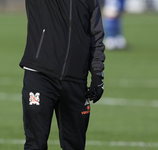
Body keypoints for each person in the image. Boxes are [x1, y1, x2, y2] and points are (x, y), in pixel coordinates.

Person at [19, 0, 105, 149]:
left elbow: (96, 38)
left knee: (75, 145)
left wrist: (97, 75)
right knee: (35, 144)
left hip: (76, 80)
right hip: (40, 75)